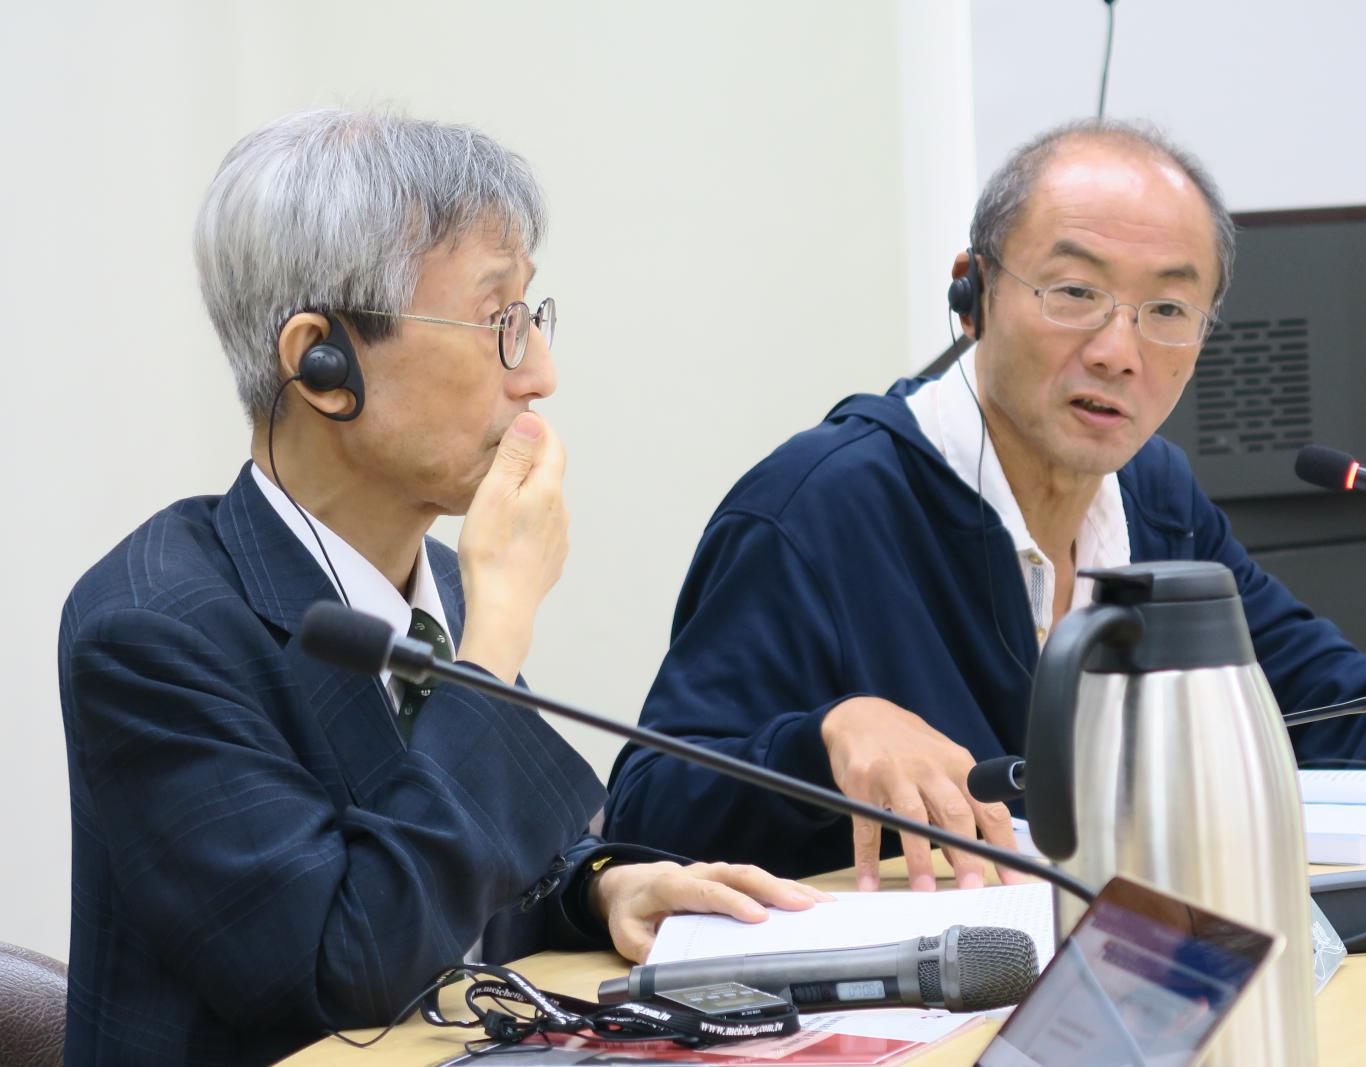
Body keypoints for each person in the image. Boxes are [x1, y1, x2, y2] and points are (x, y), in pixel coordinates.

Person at [56, 109, 825, 1067]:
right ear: (322, 365)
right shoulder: (150, 629)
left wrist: (598, 890)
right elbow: (346, 967)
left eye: (531, 317)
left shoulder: (444, 584)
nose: (540, 374)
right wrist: (495, 643)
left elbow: (458, 861)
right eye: (499, 322)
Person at [605, 118, 1366, 891]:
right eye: (1073, 292)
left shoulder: (1154, 496)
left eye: (1168, 311)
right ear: (973, 293)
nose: (1117, 351)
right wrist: (825, 739)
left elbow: (1332, 699)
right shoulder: (819, 505)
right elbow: (646, 812)